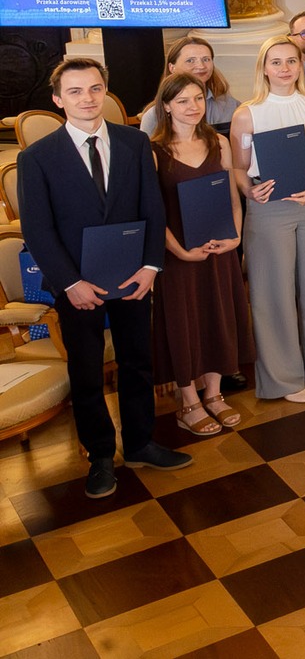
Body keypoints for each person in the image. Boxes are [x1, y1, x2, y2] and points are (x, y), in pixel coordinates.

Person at [17, 58, 191, 496]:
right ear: (58, 99)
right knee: (87, 370)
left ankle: (140, 443)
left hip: (133, 275)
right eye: (75, 91)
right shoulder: (36, 157)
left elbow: (152, 208)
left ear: (105, 93)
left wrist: (151, 266)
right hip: (76, 283)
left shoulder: (135, 142)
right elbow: (37, 230)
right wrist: (69, 283)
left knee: (137, 362)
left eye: (95, 89)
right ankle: (98, 456)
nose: (87, 98)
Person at [229, 35, 305, 402]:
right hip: (269, 205)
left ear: (300, 65)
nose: (284, 68)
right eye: (276, 62)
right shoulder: (247, 113)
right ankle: (283, 378)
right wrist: (250, 192)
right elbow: (238, 167)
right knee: (273, 292)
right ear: (264, 68)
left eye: (291, 61)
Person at [149, 73, 255, 437]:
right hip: (178, 254)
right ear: (166, 106)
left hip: (219, 249)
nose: (192, 107)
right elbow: (152, 213)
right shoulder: (154, 151)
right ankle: (188, 401)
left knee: (217, 316)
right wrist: (180, 251)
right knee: (184, 323)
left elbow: (232, 200)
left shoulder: (218, 142)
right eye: (182, 101)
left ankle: (214, 393)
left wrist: (234, 238)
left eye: (198, 98)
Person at [138, 34, 240, 134]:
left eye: (206, 59)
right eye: (190, 60)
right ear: (172, 68)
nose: (201, 66)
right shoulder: (153, 116)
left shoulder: (231, 106)